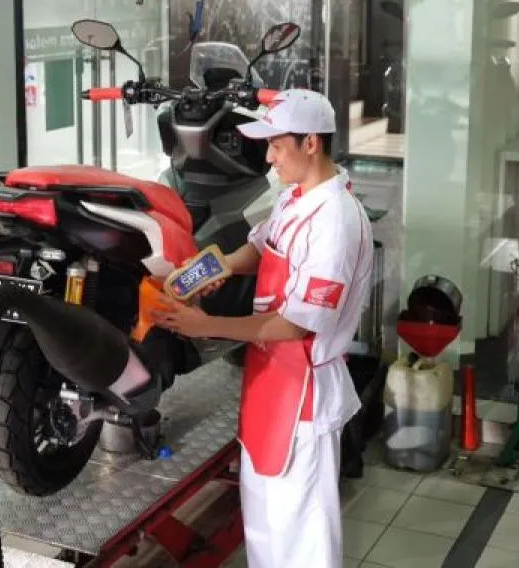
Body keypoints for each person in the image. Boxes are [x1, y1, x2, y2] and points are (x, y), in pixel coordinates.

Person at [153, 88, 373, 568]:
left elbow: (294, 327)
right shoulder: (295, 197)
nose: (269, 158)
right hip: (271, 383)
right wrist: (217, 269)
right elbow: (262, 245)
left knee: (302, 540)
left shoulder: (335, 222)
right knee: (264, 527)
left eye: (276, 145)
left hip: (305, 396)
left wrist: (205, 325)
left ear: (310, 143)